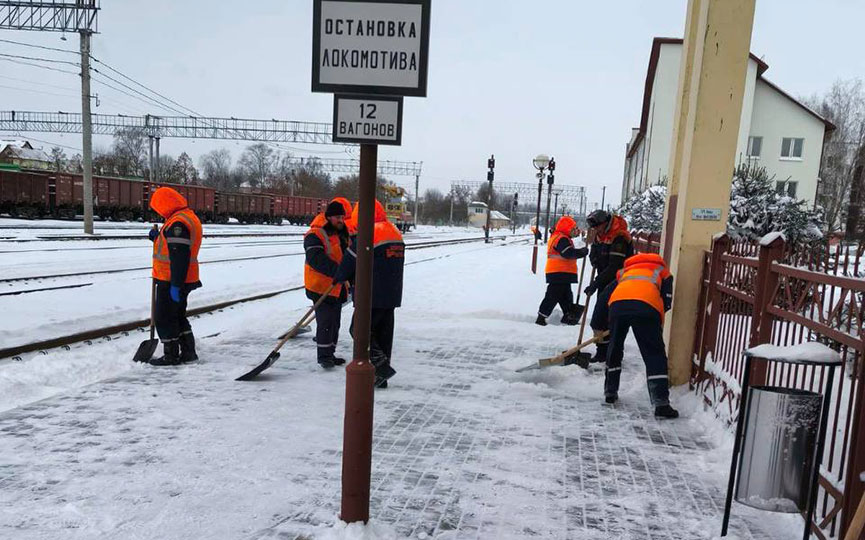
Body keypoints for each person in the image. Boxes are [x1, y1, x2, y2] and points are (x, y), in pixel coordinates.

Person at [593, 252, 678, 418]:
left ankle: (610, 392)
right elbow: (667, 300)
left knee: (614, 348)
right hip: (646, 308)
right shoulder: (662, 271)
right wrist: (656, 323)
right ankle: (661, 403)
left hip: (617, 308)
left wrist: (597, 323)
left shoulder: (624, 272)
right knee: (654, 354)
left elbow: (604, 296)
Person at [333, 200, 405, 388]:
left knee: (358, 329)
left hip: (371, 293)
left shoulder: (370, 233)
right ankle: (381, 375)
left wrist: (339, 277)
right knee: (383, 334)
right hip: (392, 293)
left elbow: (350, 260)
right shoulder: (393, 230)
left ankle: (379, 365)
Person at [147, 187, 203, 366]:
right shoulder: (185, 217)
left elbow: (179, 256)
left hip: (172, 279)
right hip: (182, 278)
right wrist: (157, 238)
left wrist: (175, 285)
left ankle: (171, 355)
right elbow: (171, 247)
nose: (158, 211)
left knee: (164, 317)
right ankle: (188, 352)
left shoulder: (177, 223)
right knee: (178, 315)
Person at [304, 199, 351, 369]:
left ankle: (330, 353)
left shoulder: (339, 233)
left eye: (342, 217)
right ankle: (324, 357)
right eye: (338, 217)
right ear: (329, 217)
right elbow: (316, 259)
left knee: (334, 322)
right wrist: (338, 272)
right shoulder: (314, 235)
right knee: (325, 322)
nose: (341, 220)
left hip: (336, 286)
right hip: (319, 286)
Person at [582, 210, 634, 364]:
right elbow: (595, 251)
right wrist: (594, 259)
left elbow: (614, 268)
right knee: (601, 319)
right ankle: (603, 352)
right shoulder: (601, 234)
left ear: (605, 223)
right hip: (604, 282)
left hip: (619, 282)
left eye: (597, 227)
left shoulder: (619, 238)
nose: (596, 230)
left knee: (608, 319)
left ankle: (611, 353)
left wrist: (594, 284)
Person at [536, 215, 587, 326]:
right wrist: (582, 252)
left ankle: (569, 316)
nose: (575, 231)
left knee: (566, 295)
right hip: (559, 272)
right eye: (573, 229)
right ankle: (541, 317)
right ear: (567, 228)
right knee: (553, 295)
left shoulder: (559, 237)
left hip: (561, 272)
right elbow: (568, 253)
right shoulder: (562, 239)